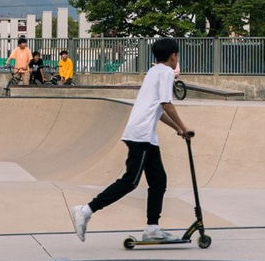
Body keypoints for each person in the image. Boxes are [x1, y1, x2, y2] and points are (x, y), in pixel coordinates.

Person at [71, 36, 193, 243]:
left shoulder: (153, 71)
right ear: (173, 56)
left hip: (146, 135)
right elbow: (166, 104)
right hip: (141, 135)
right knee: (130, 181)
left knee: (158, 181)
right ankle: (86, 210)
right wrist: (184, 127)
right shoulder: (165, 72)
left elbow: (157, 109)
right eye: (177, 56)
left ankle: (152, 228)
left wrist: (177, 129)